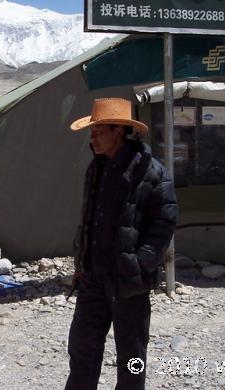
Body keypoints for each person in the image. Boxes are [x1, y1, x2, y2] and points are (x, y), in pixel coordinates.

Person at [66, 97, 179, 390]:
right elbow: (88, 219)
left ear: (118, 131)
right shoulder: (97, 168)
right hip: (93, 278)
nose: (92, 137)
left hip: (129, 283)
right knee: (82, 349)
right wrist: (82, 260)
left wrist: (139, 265)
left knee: (132, 355)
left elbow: (163, 226)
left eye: (98, 130)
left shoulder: (153, 174)